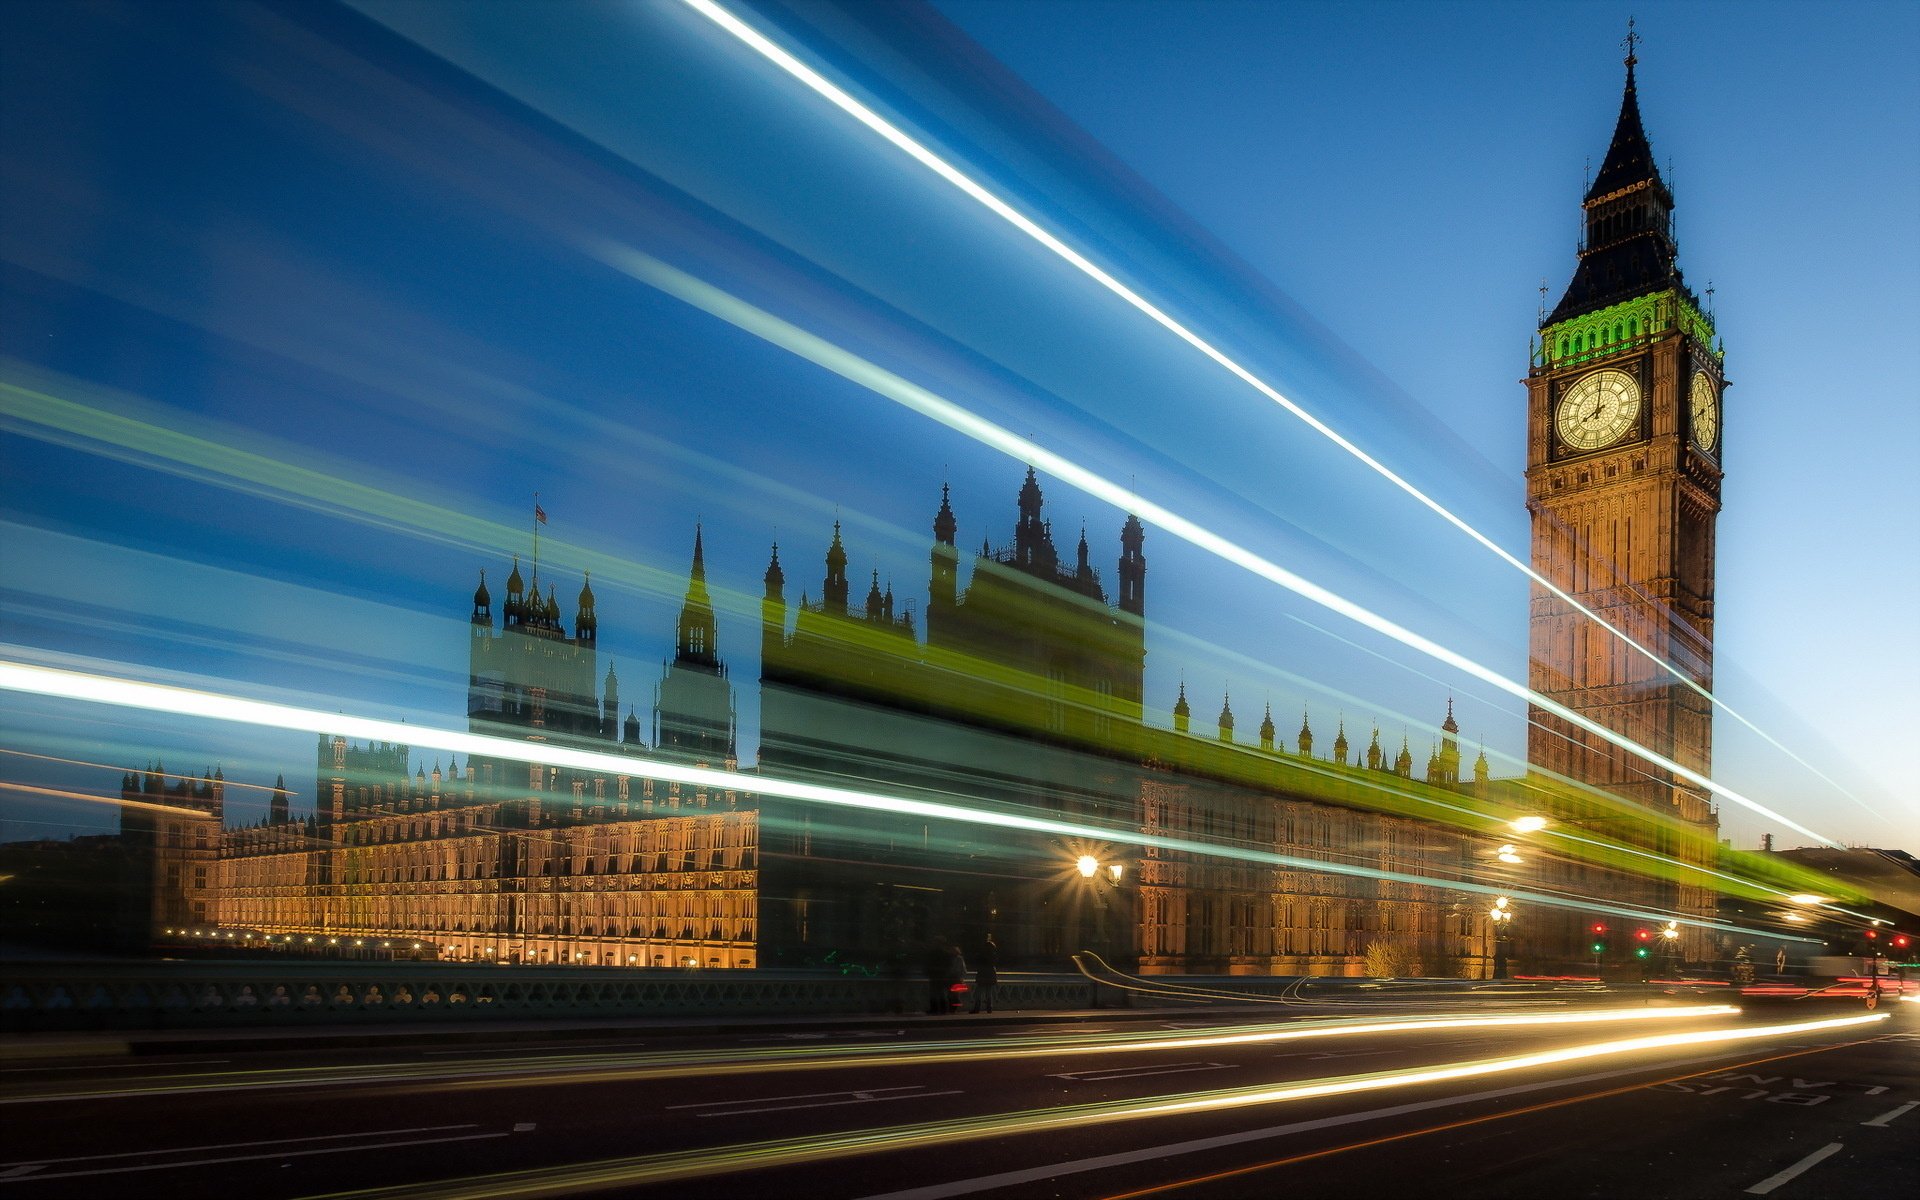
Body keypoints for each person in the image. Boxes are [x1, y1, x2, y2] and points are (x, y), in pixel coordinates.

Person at [970, 935, 999, 1013]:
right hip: (991, 974)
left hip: (982, 973)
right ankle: (989, 1008)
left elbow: (977, 962)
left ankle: (977, 1008)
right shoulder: (993, 955)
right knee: (989, 992)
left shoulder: (981, 955)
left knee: (979, 991)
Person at [924, 938, 952, 1014]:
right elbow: (949, 965)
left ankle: (934, 1009)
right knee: (941, 993)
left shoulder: (932, 953)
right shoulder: (946, 954)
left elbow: (928, 964)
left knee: (935, 993)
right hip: (942, 975)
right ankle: (943, 1009)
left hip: (935, 975)